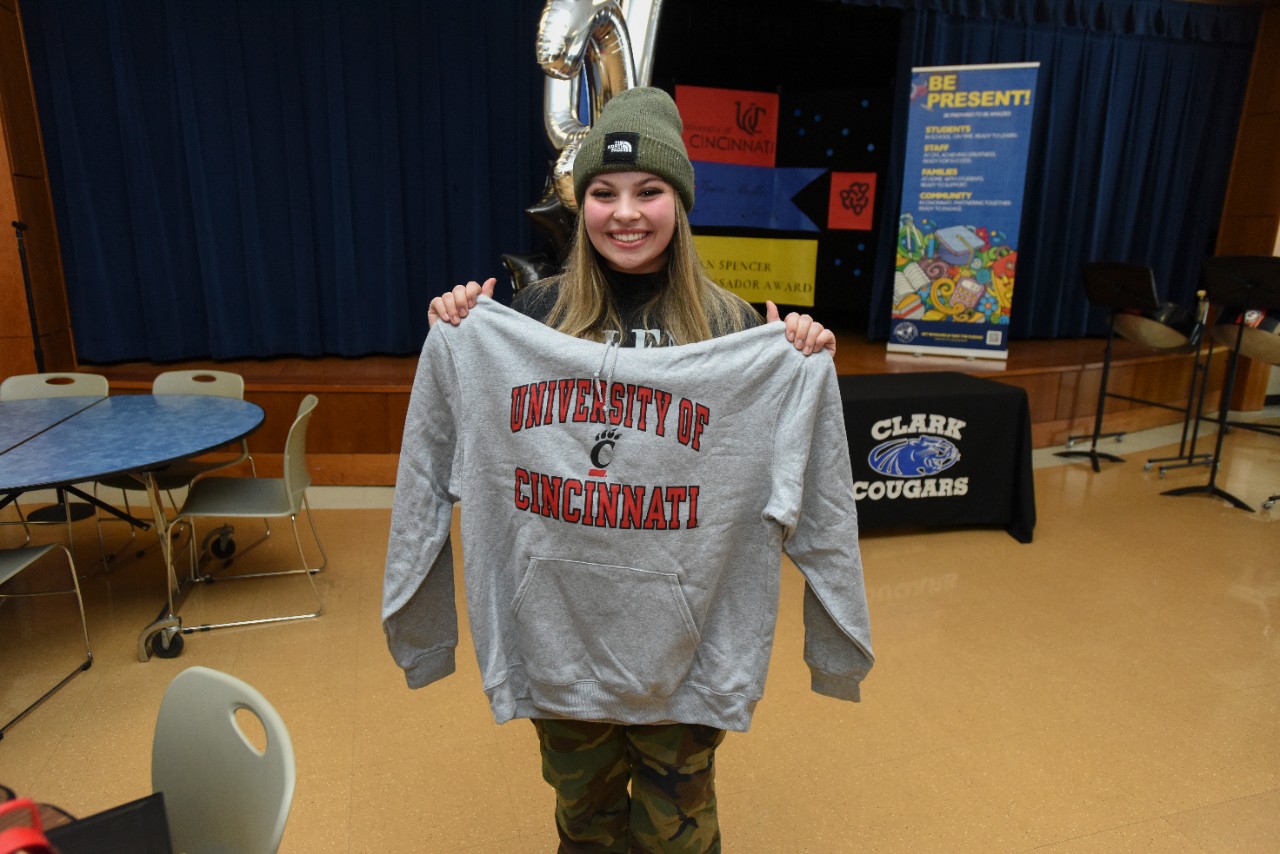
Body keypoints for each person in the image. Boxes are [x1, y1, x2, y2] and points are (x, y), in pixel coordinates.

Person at [396, 86, 870, 853]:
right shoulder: (527, 319)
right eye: (603, 192)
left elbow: (818, 511)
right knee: (583, 829)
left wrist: (803, 358)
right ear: (579, 206)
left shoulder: (734, 329)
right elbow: (428, 482)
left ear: (679, 203)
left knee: (680, 834)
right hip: (558, 642)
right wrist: (459, 328)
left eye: (649, 191)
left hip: (688, 655)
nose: (625, 212)